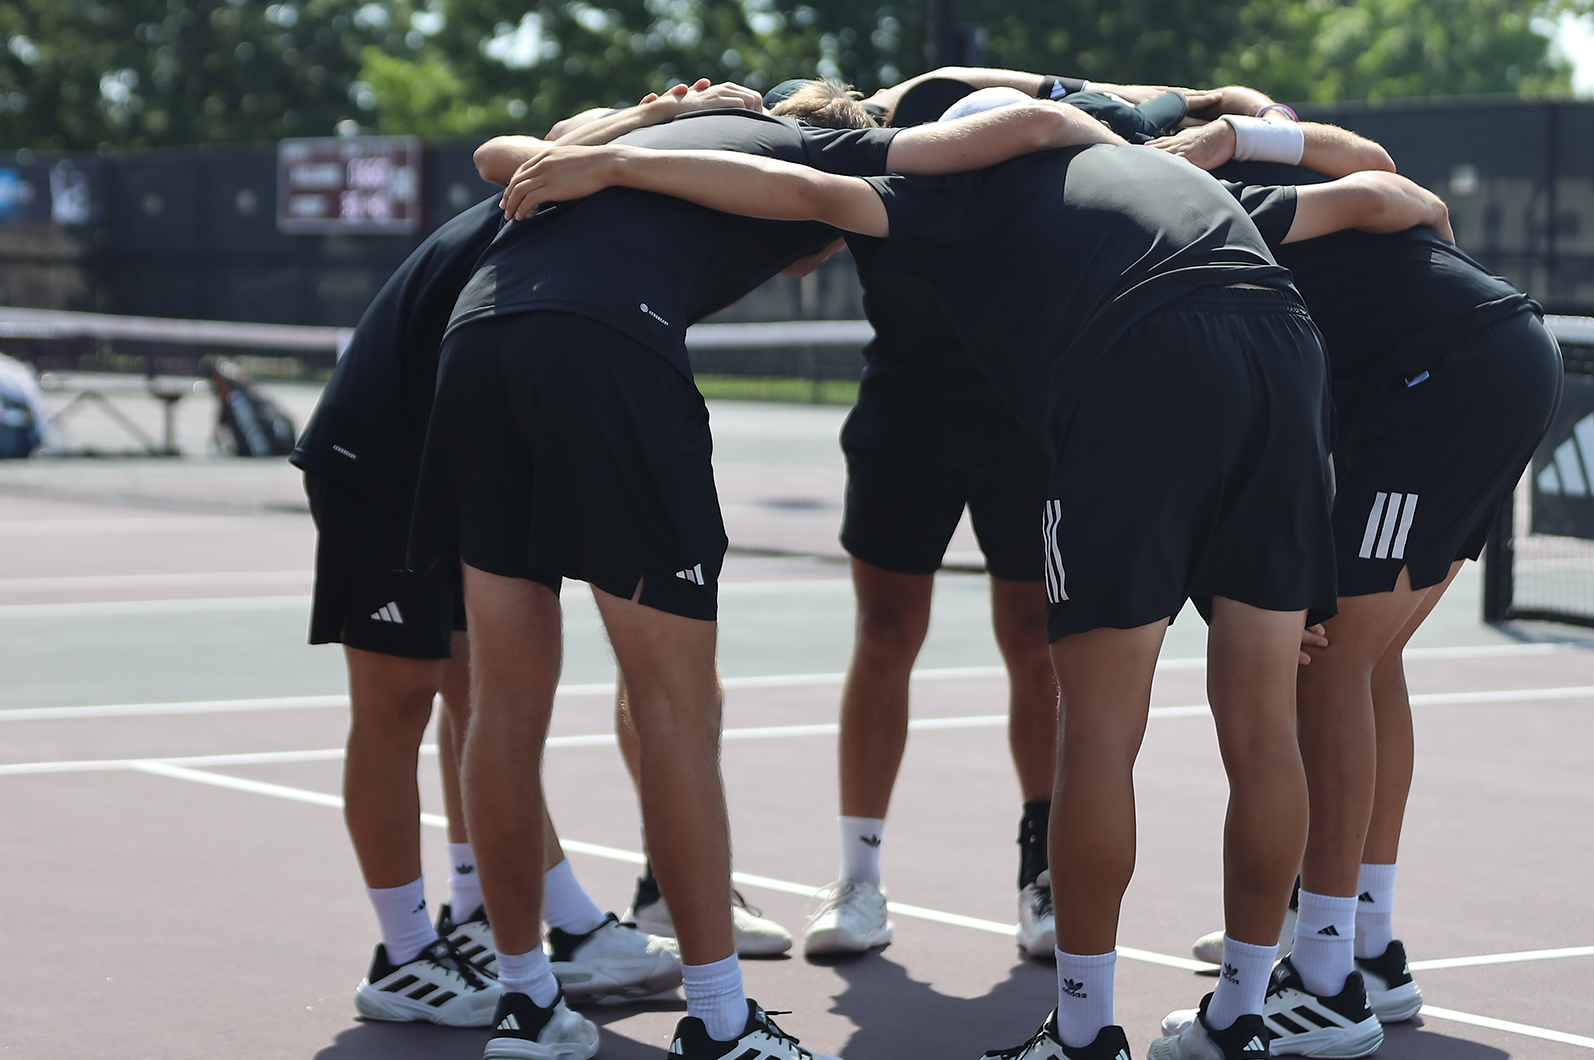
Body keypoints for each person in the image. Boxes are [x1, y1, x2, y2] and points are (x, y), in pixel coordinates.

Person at [500, 115, 1448, 1060]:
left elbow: (804, 192)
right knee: (1262, 724)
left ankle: (1082, 1034)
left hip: (1144, 352)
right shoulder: (1140, 169)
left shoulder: (960, 194)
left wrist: (615, 160)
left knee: (1102, 728)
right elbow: (1384, 182)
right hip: (1285, 348)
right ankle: (1243, 1016)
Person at [422, 93, 1127, 1060]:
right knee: (674, 706)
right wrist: (1141, 143)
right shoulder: (822, 146)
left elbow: (500, 153)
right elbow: (1029, 128)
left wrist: (622, 140)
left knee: (501, 708)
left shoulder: (655, 135)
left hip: (476, 338)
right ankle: (718, 1021)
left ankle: (527, 1005)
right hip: (602, 346)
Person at [291, 83, 772, 1028]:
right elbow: (519, 148)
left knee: (482, 698)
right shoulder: (586, 175)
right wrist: (643, 121)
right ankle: (403, 954)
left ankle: (541, 919)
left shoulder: (627, 196)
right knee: (400, 701)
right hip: (383, 444)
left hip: (466, 439)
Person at [1148, 114, 1564, 1058]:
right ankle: (1369, 945)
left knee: (1326, 669)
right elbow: (1386, 181)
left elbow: (1385, 191)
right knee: (1369, 662)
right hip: (1489, 365)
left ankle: (1327, 981)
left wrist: (1216, 139)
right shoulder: (1240, 210)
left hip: (1450, 382)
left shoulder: (1219, 217)